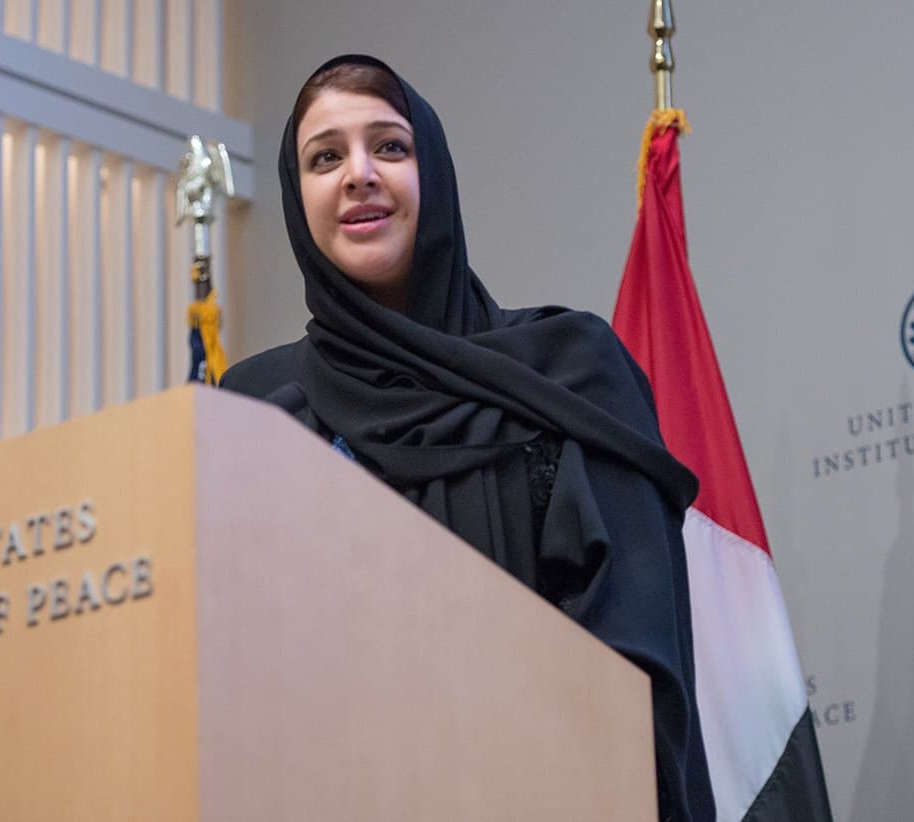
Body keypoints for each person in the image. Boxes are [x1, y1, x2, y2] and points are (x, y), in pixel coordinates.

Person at [221, 55, 715, 822]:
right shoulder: (258, 410)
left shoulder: (574, 372)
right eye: (325, 157)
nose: (358, 175)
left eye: (389, 146)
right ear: (297, 197)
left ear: (437, 174)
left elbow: (635, 668)